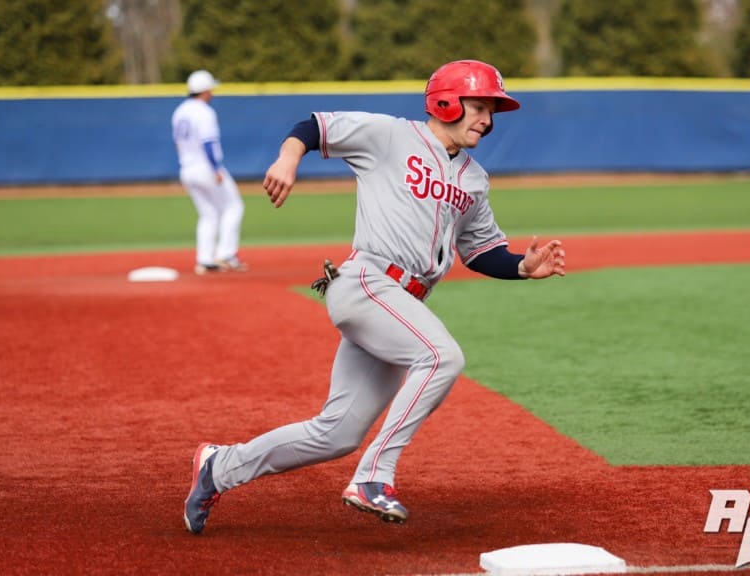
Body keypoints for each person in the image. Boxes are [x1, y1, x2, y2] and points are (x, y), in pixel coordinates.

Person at [183, 60, 566, 533]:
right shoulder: (390, 136)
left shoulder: (473, 179)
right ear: (446, 101)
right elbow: (314, 126)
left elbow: (482, 251)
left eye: (493, 111)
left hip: (401, 303)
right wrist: (288, 158)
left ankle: (219, 467)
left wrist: (523, 268)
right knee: (441, 356)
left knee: (337, 432)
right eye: (480, 106)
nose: (488, 120)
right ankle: (373, 477)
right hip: (367, 282)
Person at [171, 69, 248, 275]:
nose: (212, 93)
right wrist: (215, 168)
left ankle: (205, 259)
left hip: (186, 168)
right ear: (204, 91)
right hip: (205, 167)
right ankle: (226, 255)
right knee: (233, 206)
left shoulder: (180, 111)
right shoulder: (204, 112)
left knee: (208, 213)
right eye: (210, 89)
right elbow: (208, 142)